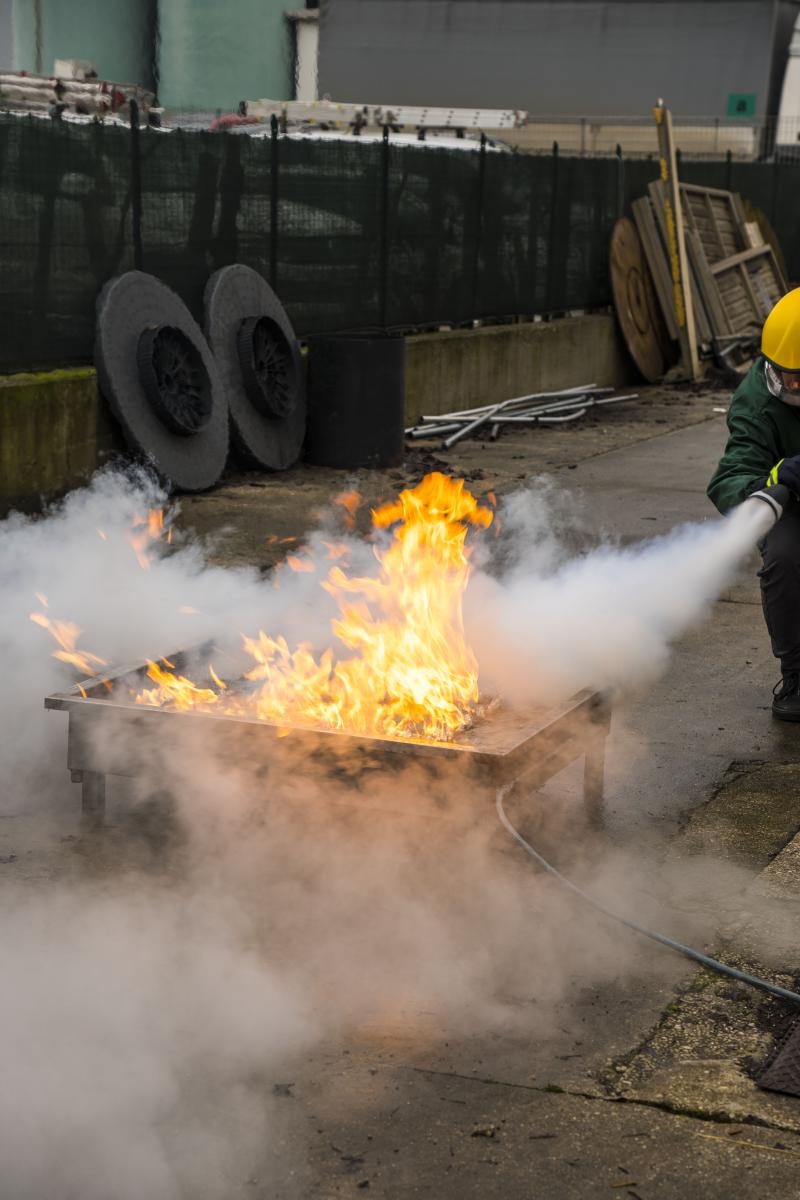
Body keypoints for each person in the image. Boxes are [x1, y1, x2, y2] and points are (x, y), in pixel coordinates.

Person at [708, 287, 800, 721]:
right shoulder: (758, 400)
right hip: (792, 503)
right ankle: (798, 675)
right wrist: (775, 483)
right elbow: (732, 476)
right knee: (784, 557)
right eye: (786, 374)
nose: (793, 384)